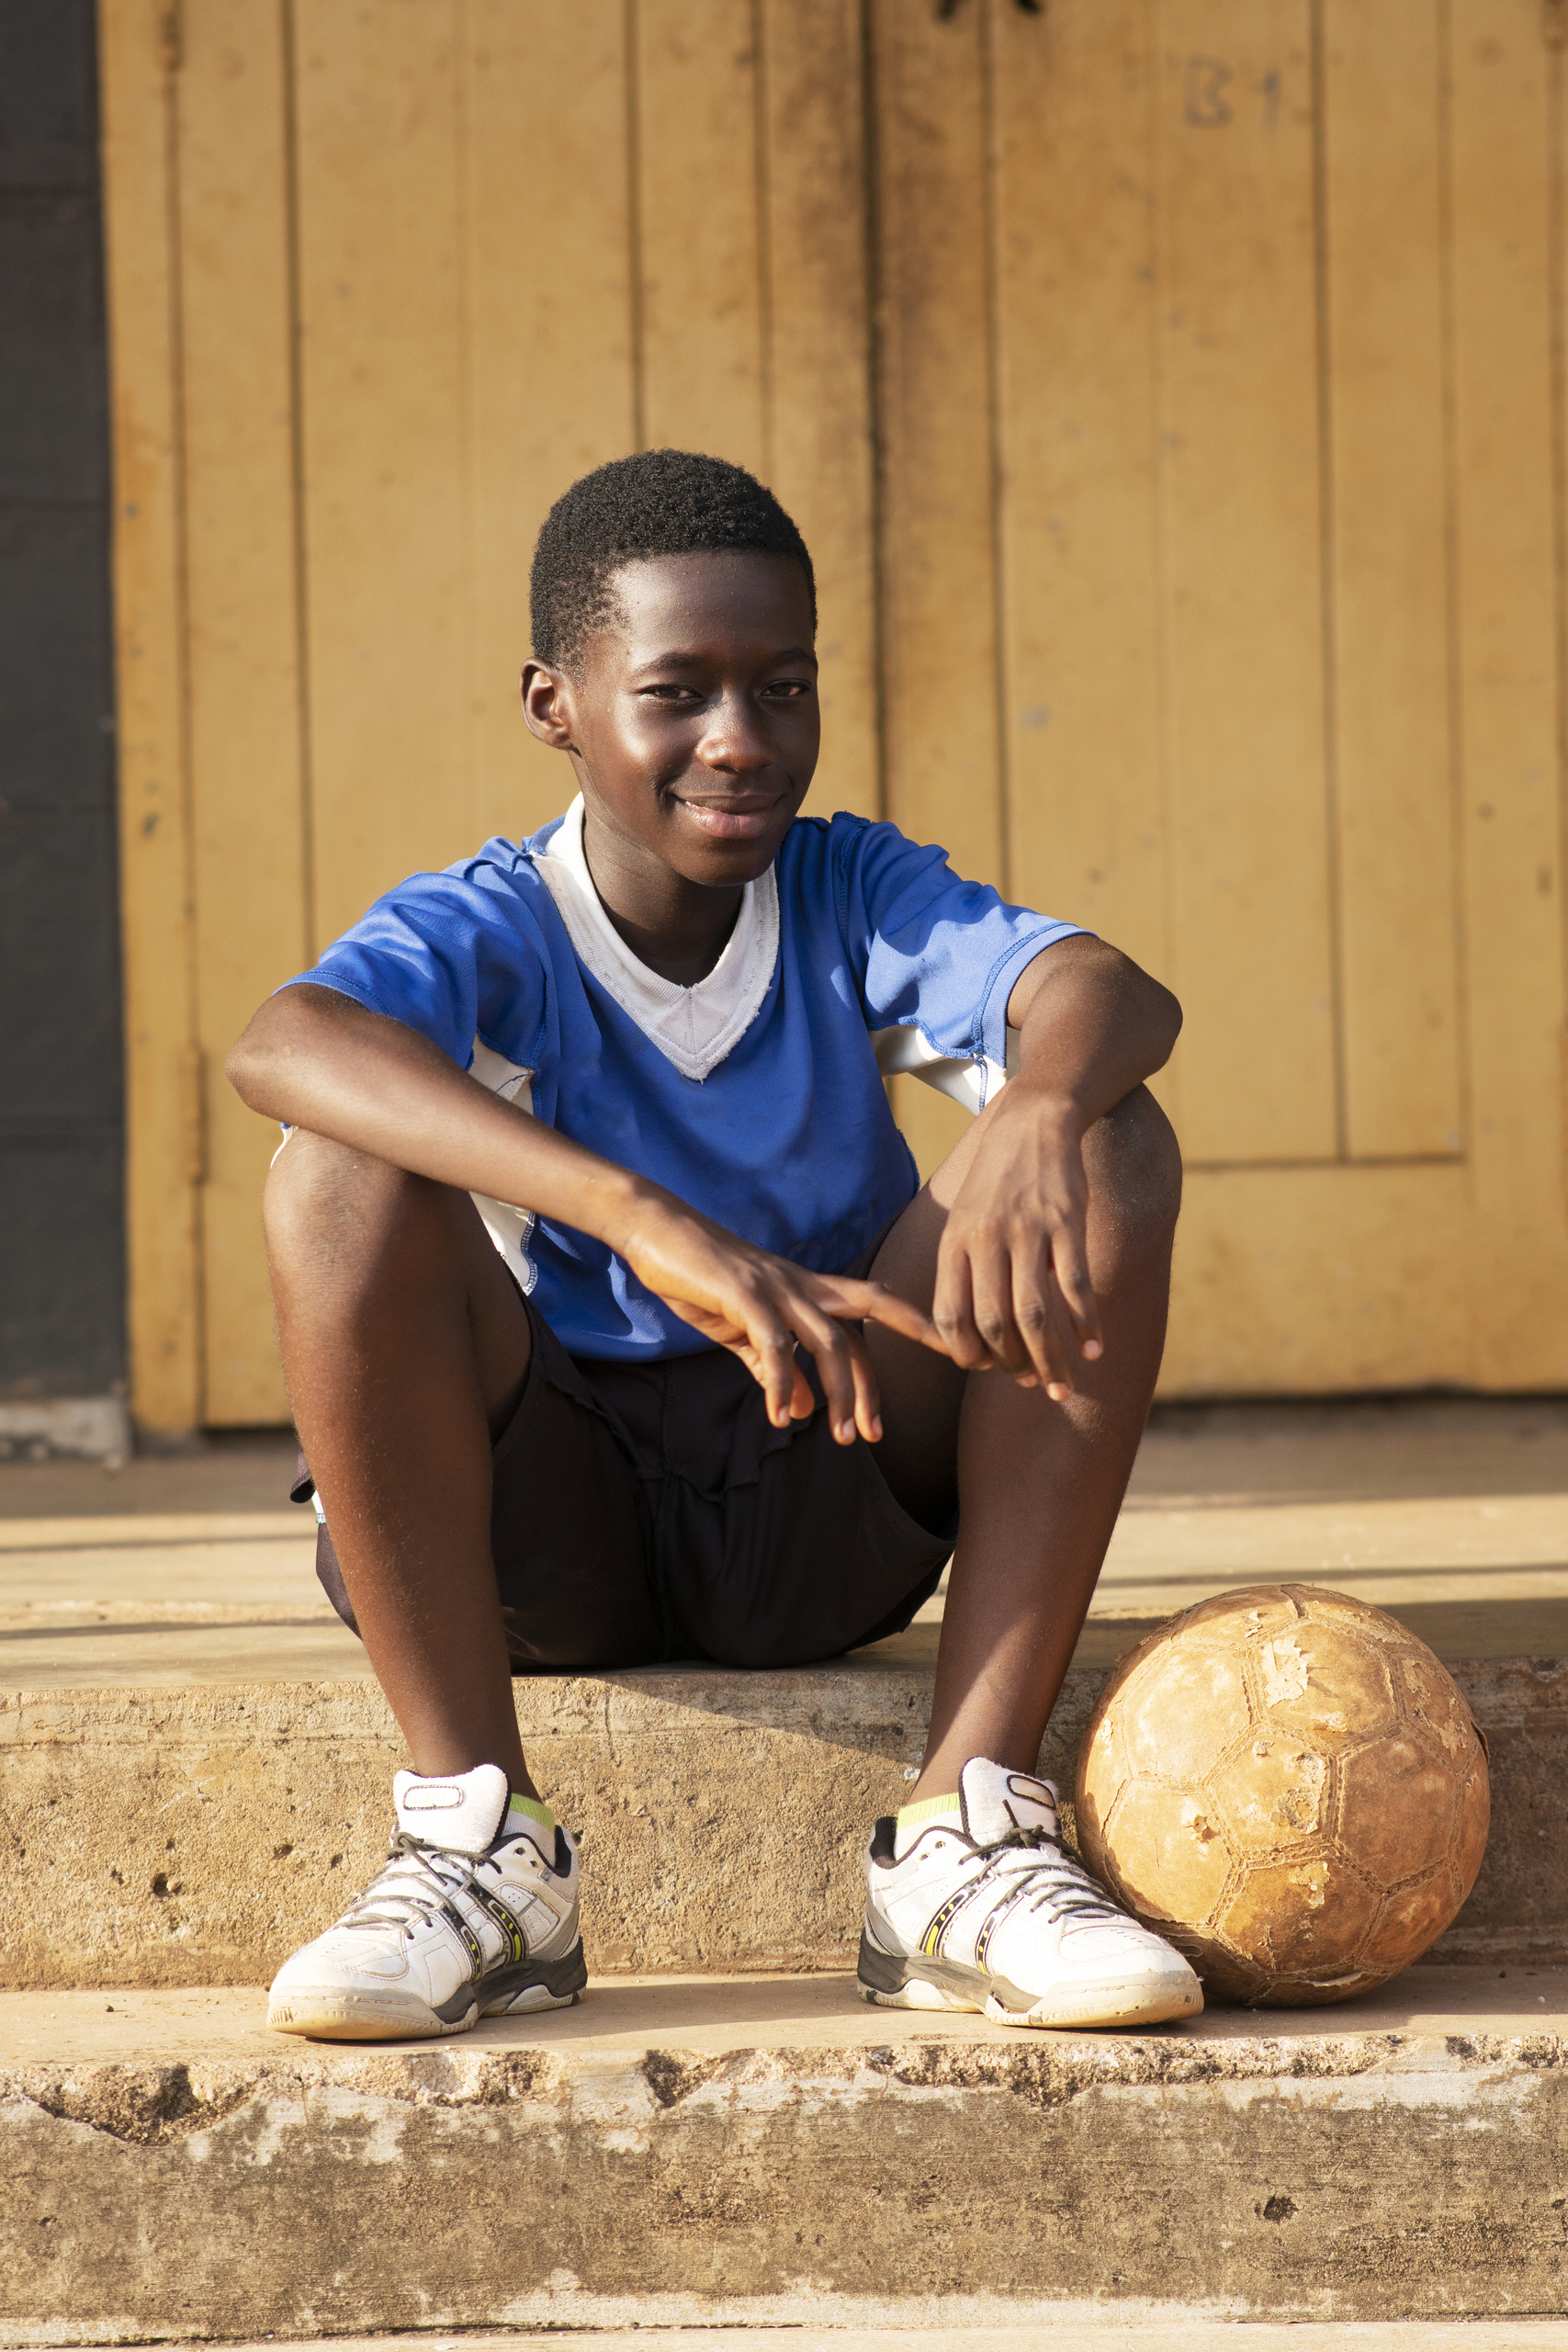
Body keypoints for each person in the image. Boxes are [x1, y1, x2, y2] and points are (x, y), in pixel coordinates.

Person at [228, 449, 1201, 2043]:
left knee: (1110, 1133)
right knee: (339, 1172)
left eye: (784, 690)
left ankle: (962, 1836)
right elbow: (284, 1042)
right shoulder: (495, 920)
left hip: (824, 1483)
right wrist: (641, 1218)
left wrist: (1036, 1100)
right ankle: (480, 1851)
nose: (740, 743)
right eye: (677, 693)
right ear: (557, 703)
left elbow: (1112, 993)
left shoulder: (847, 889)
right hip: (549, 1536)